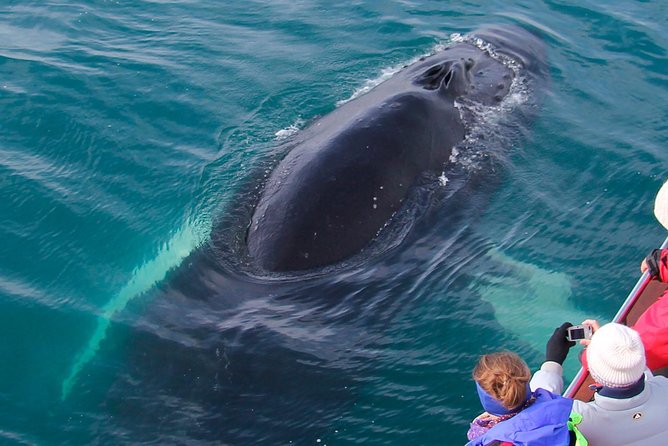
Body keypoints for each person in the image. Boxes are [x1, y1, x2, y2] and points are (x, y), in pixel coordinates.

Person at [531, 321, 668, 445]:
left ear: (593, 370)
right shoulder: (664, 386)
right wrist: (612, 344)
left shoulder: (579, 418)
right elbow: (640, 371)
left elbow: (534, 412)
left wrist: (552, 362)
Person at [466, 324, 583, 446]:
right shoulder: (554, 406)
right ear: (526, 378)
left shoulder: (492, 439)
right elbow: (546, 387)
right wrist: (554, 358)